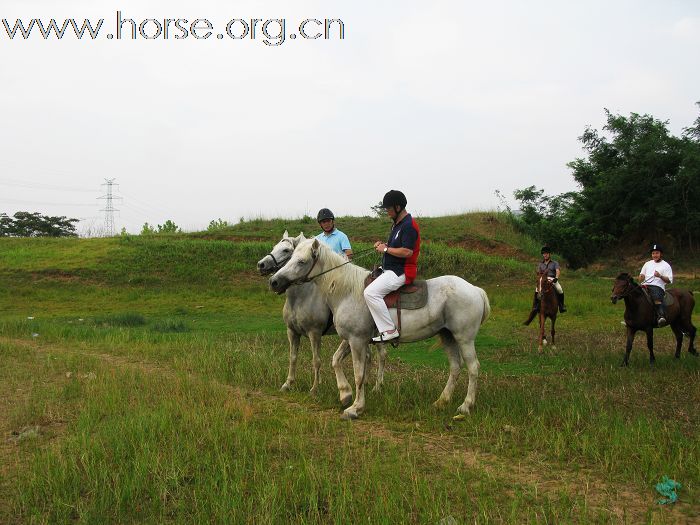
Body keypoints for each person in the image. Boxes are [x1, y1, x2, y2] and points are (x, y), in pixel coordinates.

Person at [364, 190, 420, 342]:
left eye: (388, 209)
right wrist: (385, 245)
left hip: (401, 272)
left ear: (397, 207)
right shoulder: (397, 225)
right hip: (391, 269)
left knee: (370, 293)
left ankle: (389, 330)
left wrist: (386, 249)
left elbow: (407, 252)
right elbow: (396, 246)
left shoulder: (409, 226)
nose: (387, 212)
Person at [639, 243, 673, 327]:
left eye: (657, 253)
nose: (655, 255)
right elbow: (641, 276)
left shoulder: (666, 265)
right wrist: (641, 277)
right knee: (633, 295)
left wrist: (660, 276)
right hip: (645, 285)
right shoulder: (647, 263)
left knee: (656, 296)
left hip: (657, 287)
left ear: (661, 254)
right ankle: (632, 318)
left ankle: (660, 316)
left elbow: (669, 280)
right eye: (653, 253)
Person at [529, 246, 567, 314]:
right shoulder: (541, 264)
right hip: (543, 280)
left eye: (546, 253)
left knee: (560, 289)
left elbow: (557, 271)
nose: (545, 255)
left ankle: (561, 306)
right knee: (537, 290)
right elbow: (539, 273)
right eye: (544, 254)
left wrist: (556, 278)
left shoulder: (555, 263)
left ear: (549, 254)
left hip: (552, 279)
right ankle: (536, 306)